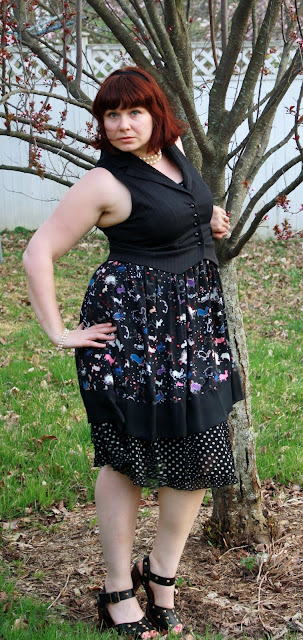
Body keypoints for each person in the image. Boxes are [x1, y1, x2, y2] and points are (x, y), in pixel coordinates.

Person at [23, 66, 243, 638]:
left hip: (192, 334)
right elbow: (38, 251)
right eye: (111, 115)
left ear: (156, 115)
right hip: (133, 335)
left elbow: (182, 211)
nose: (122, 125)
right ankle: (119, 591)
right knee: (126, 461)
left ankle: (162, 575)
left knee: (198, 454)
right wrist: (58, 332)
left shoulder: (173, 154)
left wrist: (208, 219)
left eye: (134, 113)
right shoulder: (102, 183)